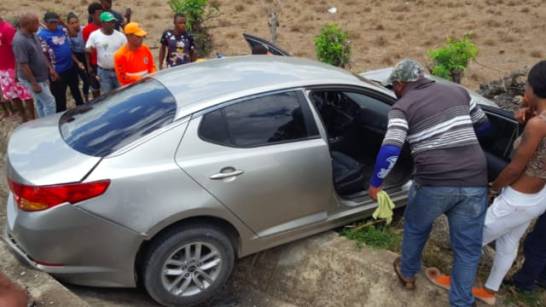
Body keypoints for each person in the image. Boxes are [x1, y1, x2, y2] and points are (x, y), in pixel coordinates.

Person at [367, 59, 490, 307]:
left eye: (394, 87)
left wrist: (375, 183)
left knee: (416, 227)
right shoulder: (459, 91)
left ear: (401, 84)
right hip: (475, 180)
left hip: (434, 182)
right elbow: (485, 126)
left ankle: (409, 274)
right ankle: (462, 302)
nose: (394, 92)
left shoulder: (402, 107)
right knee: (467, 249)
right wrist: (459, 142)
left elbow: (391, 148)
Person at [470, 61, 546, 304]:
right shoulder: (538, 120)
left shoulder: (538, 124)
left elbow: (515, 167)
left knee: (470, 238)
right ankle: (490, 291)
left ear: (534, 88)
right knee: (508, 241)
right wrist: (528, 114)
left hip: (518, 198)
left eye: (527, 85)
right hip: (539, 196)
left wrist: (493, 187)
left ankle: (458, 282)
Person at [38, 12, 84, 112]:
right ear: (45, 23)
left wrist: (63, 23)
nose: (54, 24)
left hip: (70, 67)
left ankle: (81, 111)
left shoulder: (61, 29)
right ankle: (61, 117)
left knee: (76, 91)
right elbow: (43, 55)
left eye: (55, 22)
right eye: (51, 22)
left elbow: (74, 34)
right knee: (60, 98)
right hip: (57, 70)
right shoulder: (42, 35)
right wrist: (51, 70)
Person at [12, 13, 56, 118]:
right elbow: (23, 64)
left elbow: (40, 53)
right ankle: (50, 127)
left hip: (41, 76)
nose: (39, 25)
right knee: (50, 102)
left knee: (40, 103)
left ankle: (43, 125)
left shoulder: (33, 34)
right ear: (28, 24)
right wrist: (34, 83)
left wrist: (50, 69)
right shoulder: (19, 41)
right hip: (33, 79)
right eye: (36, 23)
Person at [0, 16, 34, 121]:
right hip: (2, 70)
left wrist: (16, 70)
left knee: (25, 93)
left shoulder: (7, 29)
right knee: (12, 94)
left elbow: (17, 51)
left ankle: (32, 117)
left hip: (14, 68)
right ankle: (23, 115)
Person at [85, 11, 126, 94]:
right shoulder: (94, 35)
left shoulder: (120, 36)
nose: (112, 24)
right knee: (107, 96)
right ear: (102, 23)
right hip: (104, 73)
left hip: (118, 71)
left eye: (113, 22)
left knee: (121, 94)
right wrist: (89, 51)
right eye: (109, 22)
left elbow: (127, 52)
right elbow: (87, 49)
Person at [66, 12, 90, 103]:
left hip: (86, 55)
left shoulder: (83, 29)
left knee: (89, 77)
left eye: (76, 22)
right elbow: (70, 51)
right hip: (76, 57)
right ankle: (86, 99)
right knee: (85, 79)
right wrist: (78, 62)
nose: (75, 25)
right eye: (72, 23)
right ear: (68, 24)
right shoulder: (67, 34)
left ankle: (87, 96)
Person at [82, 2, 102, 98]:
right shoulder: (87, 29)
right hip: (94, 63)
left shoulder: (106, 25)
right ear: (92, 15)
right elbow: (86, 49)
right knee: (95, 88)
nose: (101, 16)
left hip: (105, 61)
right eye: (98, 14)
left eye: (102, 13)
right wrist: (88, 66)